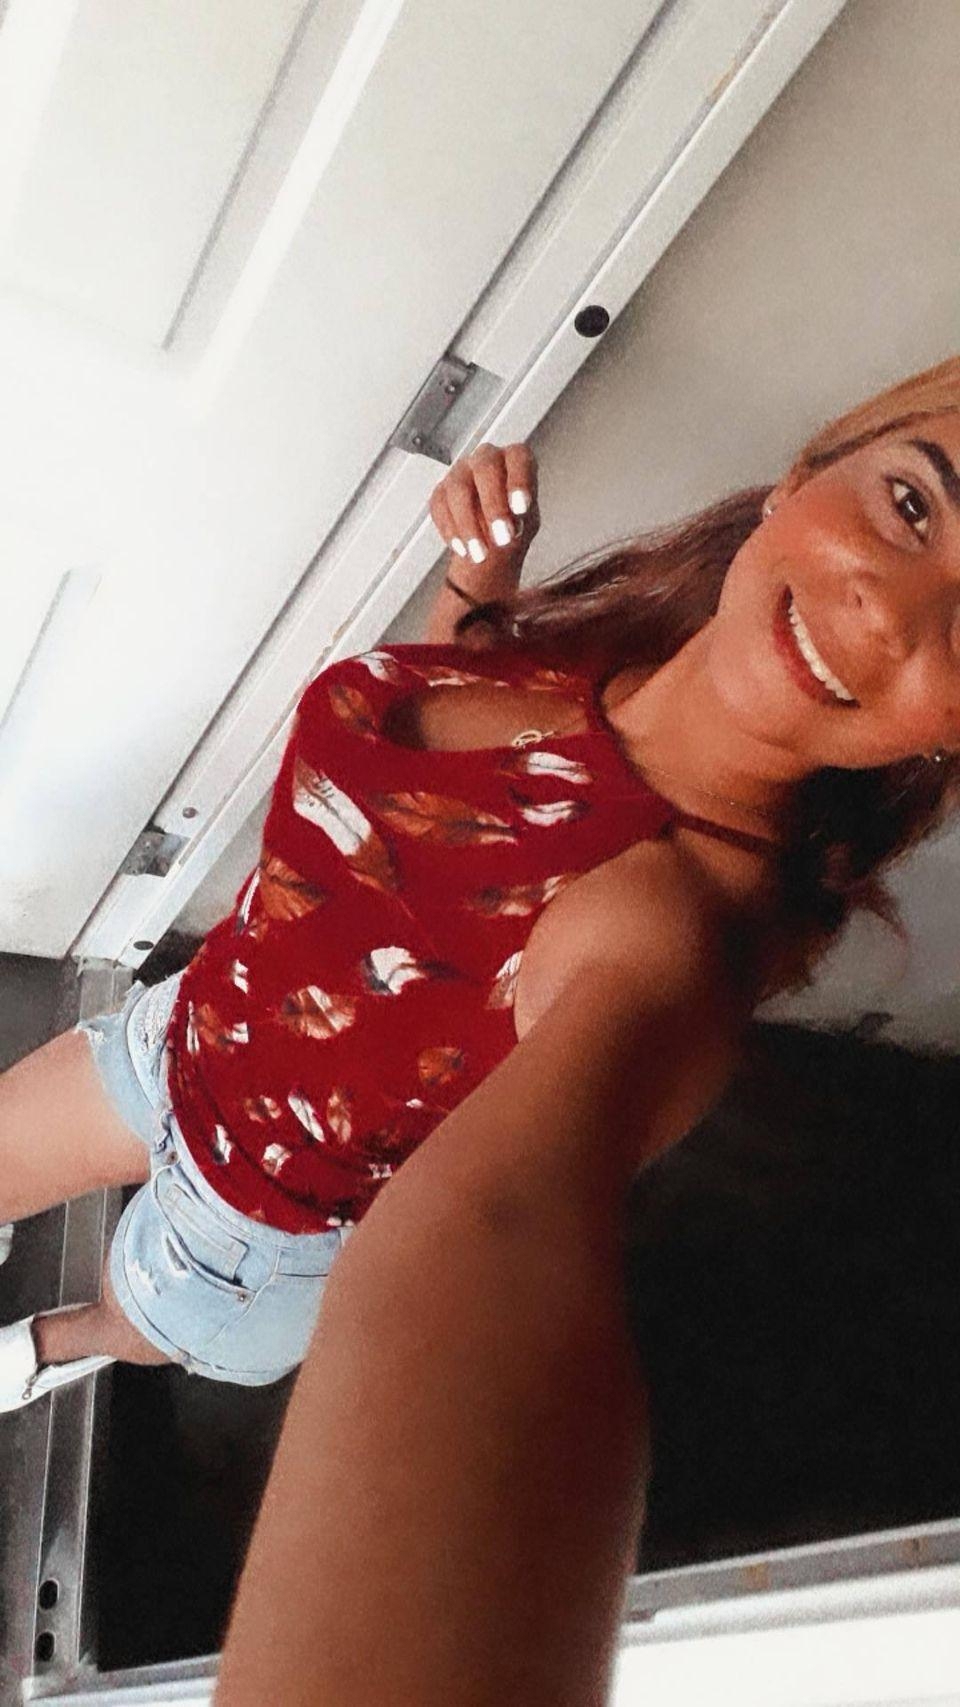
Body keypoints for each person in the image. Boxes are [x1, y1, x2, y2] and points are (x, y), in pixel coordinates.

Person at [3, 353, 960, 1688]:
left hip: (254, 1237)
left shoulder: (665, 932)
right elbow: (453, 810)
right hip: (179, 1036)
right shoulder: (607, 653)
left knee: (133, 1317)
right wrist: (481, 586)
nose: (887, 612)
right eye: (914, 504)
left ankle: (54, 1348)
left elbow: (501, 1235)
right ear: (808, 471)